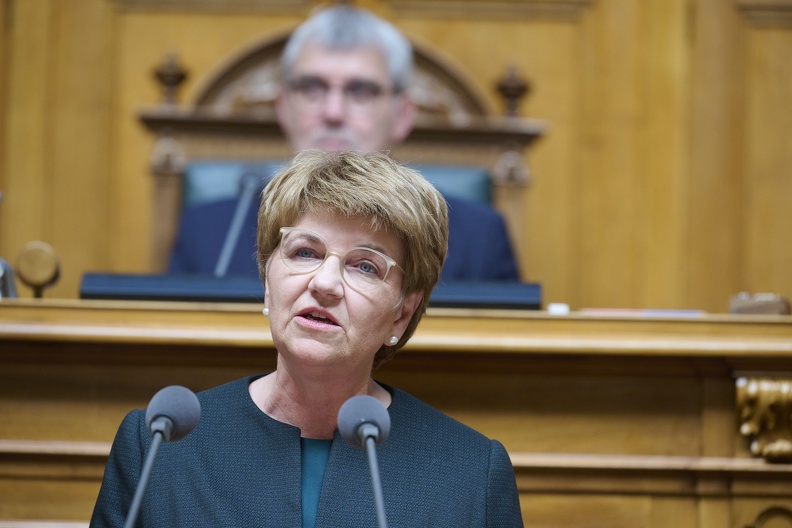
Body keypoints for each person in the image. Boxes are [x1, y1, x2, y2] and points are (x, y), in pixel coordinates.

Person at [90, 150, 524, 526]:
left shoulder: (470, 473)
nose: (325, 283)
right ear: (266, 280)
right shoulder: (158, 445)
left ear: (402, 314)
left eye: (365, 266)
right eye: (305, 253)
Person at [168, 4, 520, 283]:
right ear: (283, 107)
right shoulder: (210, 231)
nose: (333, 112)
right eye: (312, 88)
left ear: (403, 115)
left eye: (360, 91)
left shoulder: (478, 235)